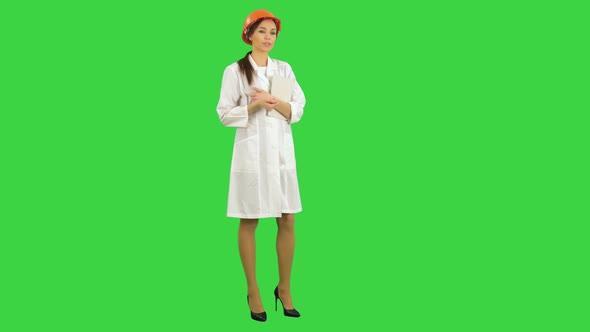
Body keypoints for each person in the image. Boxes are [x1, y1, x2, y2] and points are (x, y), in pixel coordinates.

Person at [216, 9, 306, 322]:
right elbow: (224, 114)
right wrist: (253, 105)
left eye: (273, 33)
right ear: (249, 34)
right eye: (262, 32)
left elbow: (298, 107)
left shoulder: (284, 69)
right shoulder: (234, 72)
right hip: (251, 158)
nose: (268, 38)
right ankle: (253, 290)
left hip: (281, 157)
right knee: (249, 220)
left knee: (288, 219)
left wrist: (274, 100)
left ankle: (284, 288)